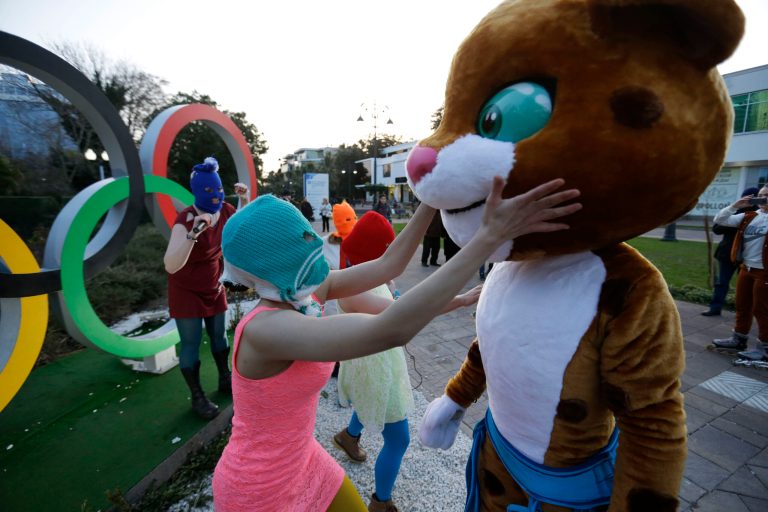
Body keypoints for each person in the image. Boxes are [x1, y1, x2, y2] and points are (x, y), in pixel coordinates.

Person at [211, 177, 581, 512]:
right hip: (258, 489)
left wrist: (433, 194)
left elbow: (389, 263)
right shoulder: (267, 330)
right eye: (298, 241)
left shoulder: (303, 294)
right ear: (272, 262)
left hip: (302, 458)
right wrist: (485, 240)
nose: (309, 244)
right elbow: (391, 328)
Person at [332, 211, 482, 511]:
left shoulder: (361, 272)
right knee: (399, 439)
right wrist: (463, 299)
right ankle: (380, 501)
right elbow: (409, 310)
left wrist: (389, 279)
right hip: (374, 368)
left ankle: (349, 436)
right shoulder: (354, 290)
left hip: (372, 362)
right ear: (377, 251)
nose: (395, 253)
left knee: (367, 402)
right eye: (389, 248)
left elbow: (392, 289)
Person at [163, 156, 249, 419]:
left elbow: (242, 223)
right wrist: (193, 235)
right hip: (185, 288)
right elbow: (170, 264)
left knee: (220, 337)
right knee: (190, 344)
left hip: (213, 283)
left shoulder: (224, 209)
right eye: (209, 190)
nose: (216, 195)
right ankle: (197, 397)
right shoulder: (185, 219)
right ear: (198, 191)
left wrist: (243, 199)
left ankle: (225, 379)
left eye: (219, 189)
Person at [711, 186, 768, 361]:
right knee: (742, 305)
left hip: (764, 271)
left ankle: (764, 347)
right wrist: (735, 206)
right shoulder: (750, 216)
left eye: (766, 195)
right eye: (760, 196)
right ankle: (739, 339)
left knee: (762, 309)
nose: (763, 198)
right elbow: (720, 220)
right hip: (746, 267)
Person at [702, 186, 759, 316]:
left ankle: (744, 313)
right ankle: (715, 307)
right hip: (727, 253)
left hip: (748, 256)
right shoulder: (735, 210)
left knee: (746, 286)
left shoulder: (759, 214)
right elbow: (716, 229)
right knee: (722, 282)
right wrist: (737, 222)